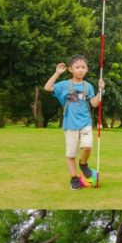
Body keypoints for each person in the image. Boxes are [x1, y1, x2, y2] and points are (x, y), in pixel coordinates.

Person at [44, 56, 103, 190]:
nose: (81, 70)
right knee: (71, 154)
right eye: (77, 67)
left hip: (86, 122)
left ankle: (83, 164)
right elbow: (47, 87)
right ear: (71, 69)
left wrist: (100, 91)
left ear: (87, 69)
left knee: (87, 147)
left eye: (83, 67)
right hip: (70, 124)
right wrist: (57, 73)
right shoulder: (64, 85)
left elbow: (94, 103)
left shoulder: (88, 86)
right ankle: (74, 178)